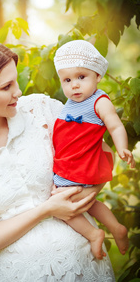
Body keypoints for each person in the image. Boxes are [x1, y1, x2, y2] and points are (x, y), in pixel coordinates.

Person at [0, 39, 116, 282]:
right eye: (6, 87)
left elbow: (102, 153)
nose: (18, 92)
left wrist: (88, 192)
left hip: (85, 265)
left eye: (15, 81)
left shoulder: (41, 110)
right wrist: (46, 210)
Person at [52, 39, 135, 260]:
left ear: (97, 76)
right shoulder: (69, 104)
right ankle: (116, 228)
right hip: (69, 166)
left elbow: (115, 125)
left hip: (84, 167)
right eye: (67, 80)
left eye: (81, 77)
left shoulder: (99, 101)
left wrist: (122, 148)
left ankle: (94, 234)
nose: (74, 85)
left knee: (66, 208)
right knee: (89, 204)